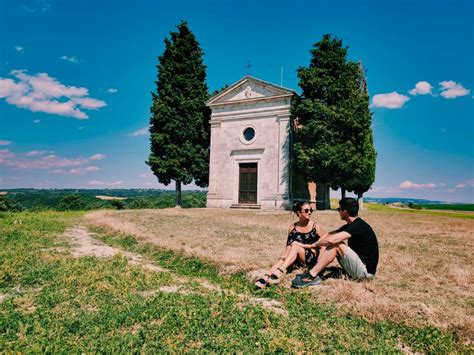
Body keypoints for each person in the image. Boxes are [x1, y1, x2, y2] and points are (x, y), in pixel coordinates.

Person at [292, 197, 379, 288]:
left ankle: (311, 275)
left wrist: (314, 245)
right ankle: (316, 271)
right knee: (332, 243)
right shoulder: (352, 224)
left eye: (339, 209)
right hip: (360, 267)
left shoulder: (358, 226)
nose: (338, 212)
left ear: (345, 211)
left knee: (336, 244)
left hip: (365, 273)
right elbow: (329, 234)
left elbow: (331, 240)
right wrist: (316, 244)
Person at [255, 201, 324, 289]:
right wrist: (283, 257)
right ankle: (265, 277)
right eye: (306, 210)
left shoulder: (315, 226)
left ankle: (280, 271)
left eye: (311, 210)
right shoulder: (292, 227)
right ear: (299, 212)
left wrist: (306, 247)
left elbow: (324, 244)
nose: (309, 212)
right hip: (296, 257)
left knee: (295, 245)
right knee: (284, 258)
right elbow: (288, 246)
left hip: (311, 258)